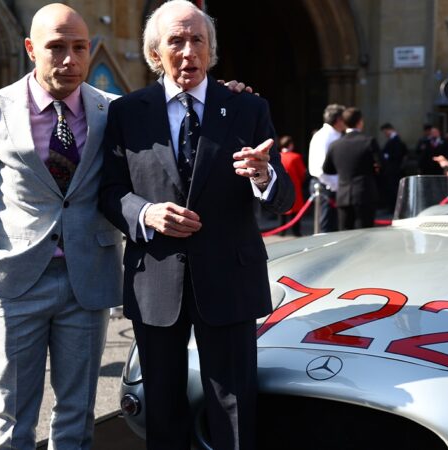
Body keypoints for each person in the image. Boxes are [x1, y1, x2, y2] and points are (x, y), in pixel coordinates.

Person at [98, 1, 293, 449]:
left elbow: (283, 199)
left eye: (197, 40)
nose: (188, 51)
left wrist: (264, 176)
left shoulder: (247, 108)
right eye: (176, 41)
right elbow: (108, 192)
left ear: (211, 49)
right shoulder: (127, 113)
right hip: (156, 279)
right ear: (155, 53)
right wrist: (145, 214)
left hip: (230, 277)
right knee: (162, 410)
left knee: (234, 406)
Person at [0, 4, 120, 449]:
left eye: (79, 47)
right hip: (16, 283)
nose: (70, 59)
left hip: (87, 283)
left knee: (78, 412)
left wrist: (228, 96)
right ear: (30, 49)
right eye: (56, 48)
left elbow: (172, 120)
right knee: (13, 415)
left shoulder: (112, 111)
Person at [322, 107, 381, 230]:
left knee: (345, 234)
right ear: (360, 122)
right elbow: (382, 165)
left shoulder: (335, 144)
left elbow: (327, 169)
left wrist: (343, 170)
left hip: (343, 195)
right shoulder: (369, 141)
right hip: (364, 194)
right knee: (365, 234)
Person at [308, 104, 346, 232]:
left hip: (332, 186)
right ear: (338, 120)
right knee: (325, 227)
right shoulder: (324, 136)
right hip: (325, 186)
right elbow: (321, 168)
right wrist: (335, 186)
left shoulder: (335, 135)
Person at [278, 135, 307, 236]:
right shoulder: (296, 157)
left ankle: (282, 231)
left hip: (280, 188)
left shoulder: (277, 156)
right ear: (290, 145)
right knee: (295, 213)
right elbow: (302, 174)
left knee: (282, 211)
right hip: (294, 188)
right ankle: (296, 232)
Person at [378, 122, 408, 210]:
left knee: (393, 189)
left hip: (394, 169)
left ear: (389, 130)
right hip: (392, 169)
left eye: (385, 132)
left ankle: (393, 208)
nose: (385, 134)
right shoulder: (393, 140)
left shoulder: (396, 140)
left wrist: (386, 156)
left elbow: (397, 154)